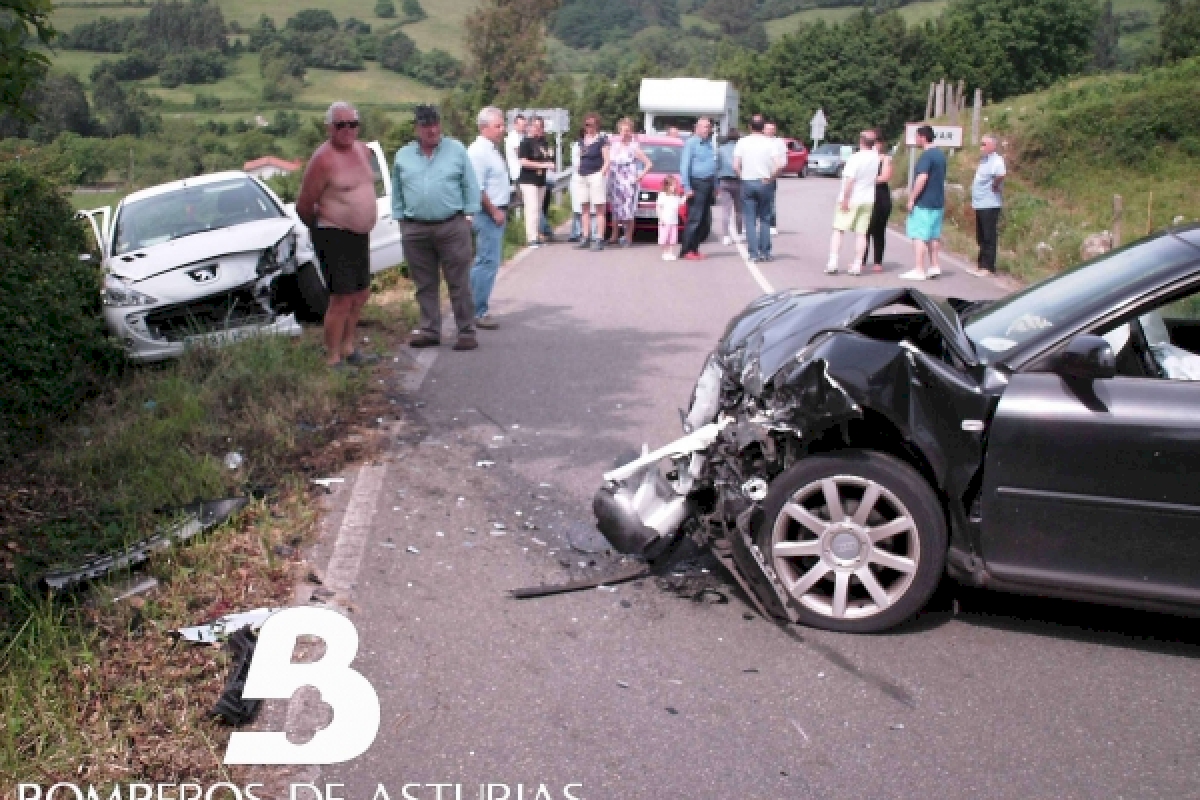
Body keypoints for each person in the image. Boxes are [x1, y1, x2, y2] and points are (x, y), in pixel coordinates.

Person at [392, 104, 482, 351]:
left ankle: (466, 331)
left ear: (440, 124)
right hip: (415, 228)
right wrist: (401, 221)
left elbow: (469, 184)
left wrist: (469, 214)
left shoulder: (456, 150)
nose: (431, 130)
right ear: (416, 128)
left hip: (452, 225)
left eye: (434, 124)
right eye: (425, 125)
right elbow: (397, 191)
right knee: (424, 283)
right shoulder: (403, 155)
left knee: (459, 282)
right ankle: (430, 330)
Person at [295, 101, 378, 367]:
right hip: (334, 234)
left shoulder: (363, 151)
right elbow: (304, 205)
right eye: (341, 124)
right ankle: (332, 358)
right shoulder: (322, 159)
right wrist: (322, 230)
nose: (347, 129)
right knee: (341, 298)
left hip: (359, 235)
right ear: (330, 127)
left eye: (352, 123)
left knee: (361, 293)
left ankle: (349, 347)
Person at [466, 106, 510, 331]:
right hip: (488, 213)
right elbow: (477, 187)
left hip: (496, 210)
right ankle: (477, 311)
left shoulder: (491, 149)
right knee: (487, 262)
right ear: (484, 128)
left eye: (502, 125)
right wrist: (494, 211)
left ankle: (473, 307)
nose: (502, 130)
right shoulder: (478, 152)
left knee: (487, 260)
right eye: (497, 126)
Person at [825, 130, 880, 275]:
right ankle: (857, 264)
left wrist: (845, 199)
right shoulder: (875, 157)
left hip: (853, 198)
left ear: (861, 141)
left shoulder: (855, 158)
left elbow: (850, 180)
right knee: (861, 233)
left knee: (838, 229)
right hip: (868, 199)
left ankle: (833, 262)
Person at [734, 115, 784, 262]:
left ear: (750, 127)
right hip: (764, 182)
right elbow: (779, 165)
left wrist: (742, 177)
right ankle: (765, 252)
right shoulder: (770, 143)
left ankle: (753, 253)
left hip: (748, 181)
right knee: (765, 219)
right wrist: (771, 178)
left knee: (749, 220)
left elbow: (735, 166)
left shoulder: (742, 142)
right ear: (763, 127)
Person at [902, 125, 946, 281]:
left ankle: (919, 268)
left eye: (917, 137)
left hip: (924, 202)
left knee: (919, 235)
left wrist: (912, 198)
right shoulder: (940, 155)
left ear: (922, 137)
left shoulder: (926, 156)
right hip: (938, 201)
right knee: (934, 236)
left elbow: (922, 177)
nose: (916, 140)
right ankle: (935, 266)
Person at [605, 117, 653, 247]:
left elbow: (649, 164)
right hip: (615, 181)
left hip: (628, 182)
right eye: (622, 130)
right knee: (615, 209)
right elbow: (608, 162)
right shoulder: (614, 146)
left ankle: (628, 236)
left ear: (631, 132)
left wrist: (640, 176)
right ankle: (614, 235)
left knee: (628, 210)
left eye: (627, 130)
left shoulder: (634, 147)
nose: (624, 133)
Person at [679, 116, 718, 261]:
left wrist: (716, 184)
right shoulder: (691, 143)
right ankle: (686, 250)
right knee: (694, 219)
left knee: (703, 220)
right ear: (697, 128)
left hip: (708, 183)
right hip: (697, 183)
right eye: (705, 126)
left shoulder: (709, 143)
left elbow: (713, 165)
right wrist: (687, 187)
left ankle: (695, 249)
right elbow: (684, 166)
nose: (708, 129)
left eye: (709, 126)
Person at [969, 133, 1006, 277]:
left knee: (989, 236)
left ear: (992, 146)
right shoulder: (984, 160)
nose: (981, 147)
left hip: (990, 203)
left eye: (984, 144)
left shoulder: (997, 160)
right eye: (981, 143)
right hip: (980, 203)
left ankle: (988, 266)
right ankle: (981, 264)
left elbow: (1001, 174)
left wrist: (996, 185)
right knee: (981, 236)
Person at [572, 112, 610, 251]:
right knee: (584, 208)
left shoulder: (601, 140)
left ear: (597, 126)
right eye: (587, 125)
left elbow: (607, 160)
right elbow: (578, 157)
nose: (589, 128)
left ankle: (599, 238)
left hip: (595, 175)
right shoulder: (582, 141)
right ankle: (585, 236)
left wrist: (601, 174)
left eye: (592, 125)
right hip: (583, 175)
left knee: (599, 208)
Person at [516, 116, 555, 248]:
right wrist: (543, 165)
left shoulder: (543, 143)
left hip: (541, 180)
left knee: (538, 209)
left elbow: (548, 157)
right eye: (536, 127)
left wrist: (550, 162)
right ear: (530, 127)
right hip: (528, 180)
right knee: (531, 208)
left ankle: (537, 235)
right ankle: (531, 238)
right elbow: (523, 161)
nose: (538, 130)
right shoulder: (525, 142)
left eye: (541, 127)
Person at [861, 133, 893, 272]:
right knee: (863, 230)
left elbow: (885, 177)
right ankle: (861, 260)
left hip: (880, 197)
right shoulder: (862, 158)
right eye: (873, 142)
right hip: (865, 196)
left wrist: (867, 179)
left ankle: (878, 262)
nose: (875, 145)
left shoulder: (885, 159)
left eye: (878, 142)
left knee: (879, 230)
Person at [716, 128, 744, 246]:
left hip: (724, 180)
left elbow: (717, 166)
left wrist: (716, 183)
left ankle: (726, 236)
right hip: (739, 180)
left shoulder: (721, 149)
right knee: (739, 210)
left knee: (726, 210)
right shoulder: (741, 149)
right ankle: (739, 233)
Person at [764, 120, 787, 235]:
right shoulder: (759, 141)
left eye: (772, 129)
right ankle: (760, 223)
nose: (769, 131)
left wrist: (776, 172)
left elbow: (783, 160)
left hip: (772, 176)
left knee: (771, 201)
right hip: (758, 175)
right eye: (767, 129)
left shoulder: (778, 142)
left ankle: (772, 225)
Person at [656, 174, 684, 261]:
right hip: (665, 221)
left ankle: (671, 253)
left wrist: (686, 196)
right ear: (667, 186)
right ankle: (665, 252)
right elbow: (658, 207)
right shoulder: (662, 195)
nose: (674, 187)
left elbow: (681, 202)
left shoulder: (676, 196)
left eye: (675, 185)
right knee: (664, 237)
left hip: (673, 221)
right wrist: (661, 218)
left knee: (672, 238)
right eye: (672, 185)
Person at [505, 113, 526, 183]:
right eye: (522, 125)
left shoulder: (522, 135)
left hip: (525, 173)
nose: (524, 127)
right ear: (515, 125)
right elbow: (521, 154)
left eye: (524, 125)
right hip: (518, 174)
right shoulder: (513, 137)